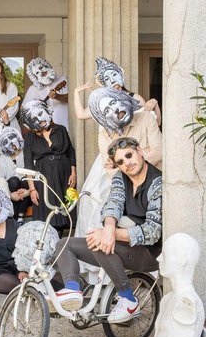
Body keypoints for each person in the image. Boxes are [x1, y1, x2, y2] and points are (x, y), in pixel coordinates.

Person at [53, 137, 162, 323]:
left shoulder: (157, 183)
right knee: (64, 244)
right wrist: (109, 228)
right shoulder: (122, 177)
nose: (127, 163)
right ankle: (73, 289)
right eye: (120, 161)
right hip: (123, 245)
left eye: (129, 155)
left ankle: (128, 299)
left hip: (150, 252)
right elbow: (113, 204)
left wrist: (110, 234)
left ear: (140, 151)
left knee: (100, 243)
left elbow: (153, 232)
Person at [72, 85, 162, 242]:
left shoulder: (146, 118)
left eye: (114, 103)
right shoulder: (104, 135)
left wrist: (125, 165)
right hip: (127, 191)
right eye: (106, 111)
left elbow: (160, 151)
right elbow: (109, 169)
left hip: (153, 186)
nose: (114, 111)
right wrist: (142, 155)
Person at [21, 100, 77, 232]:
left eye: (40, 113)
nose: (39, 119)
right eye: (34, 118)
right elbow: (28, 164)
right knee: (48, 216)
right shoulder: (30, 137)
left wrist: (73, 173)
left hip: (64, 174)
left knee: (65, 212)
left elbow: (71, 152)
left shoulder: (61, 129)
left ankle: (63, 242)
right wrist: (32, 189)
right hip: (44, 176)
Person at [94, 56, 162, 125]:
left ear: (121, 76)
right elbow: (82, 114)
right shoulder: (104, 102)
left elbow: (156, 123)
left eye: (114, 74)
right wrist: (82, 89)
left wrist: (154, 102)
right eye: (106, 79)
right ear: (105, 85)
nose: (112, 80)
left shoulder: (136, 98)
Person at [0, 127, 30, 222]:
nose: (10, 143)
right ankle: (15, 219)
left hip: (28, 191)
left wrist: (29, 191)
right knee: (14, 181)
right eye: (6, 142)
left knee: (25, 181)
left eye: (11, 138)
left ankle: (20, 217)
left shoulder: (28, 153)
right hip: (11, 193)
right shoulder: (1, 161)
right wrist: (10, 195)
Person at [22, 58, 69, 130]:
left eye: (41, 68)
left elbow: (71, 98)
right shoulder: (33, 89)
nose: (41, 72)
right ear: (35, 77)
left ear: (47, 66)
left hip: (64, 125)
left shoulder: (63, 80)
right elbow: (24, 109)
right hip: (44, 131)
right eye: (37, 73)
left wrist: (57, 96)